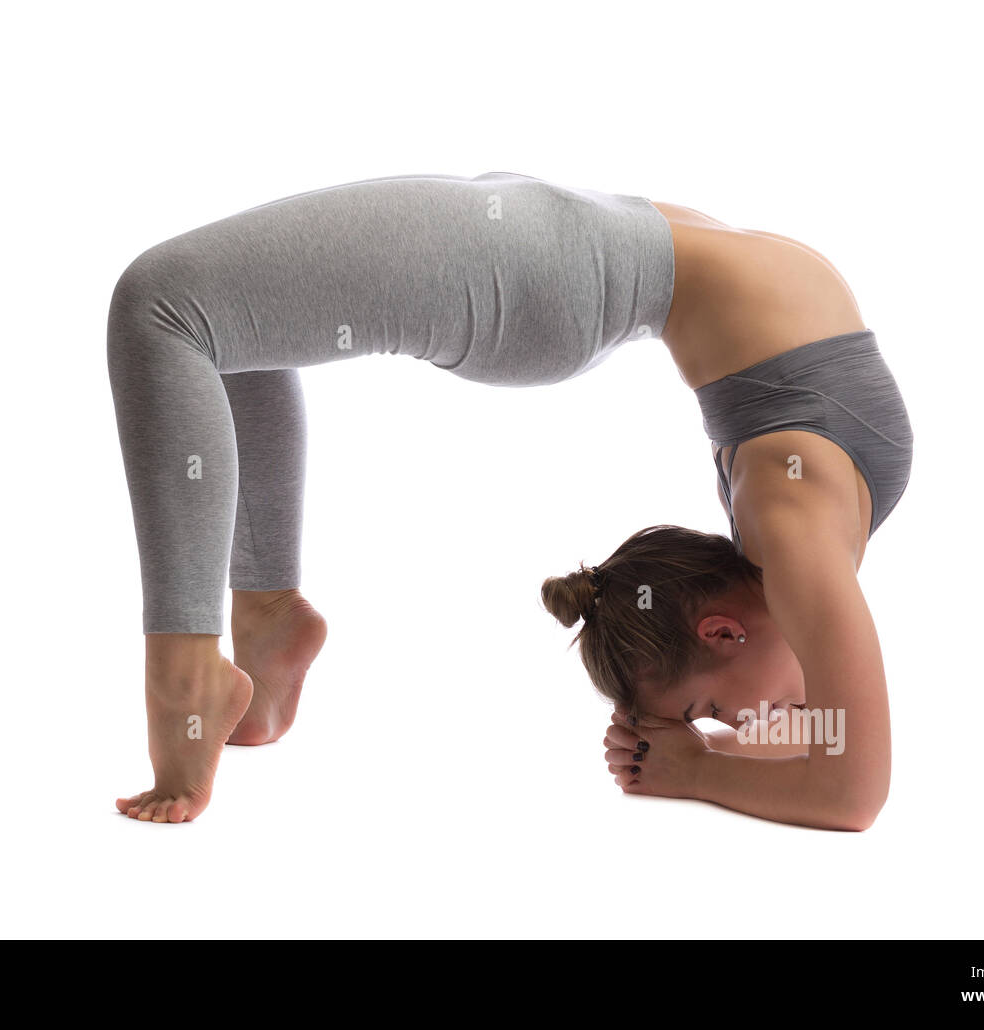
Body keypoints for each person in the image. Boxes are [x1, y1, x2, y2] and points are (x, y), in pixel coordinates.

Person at [106, 171, 912, 828]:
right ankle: (222, 645)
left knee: (186, 311)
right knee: (182, 311)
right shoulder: (795, 532)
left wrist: (698, 758)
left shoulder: (794, 535)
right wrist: (696, 765)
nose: (741, 726)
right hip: (542, 262)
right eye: (711, 711)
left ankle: (235, 642)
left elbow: (829, 751)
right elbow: (851, 788)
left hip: (565, 252)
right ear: (722, 629)